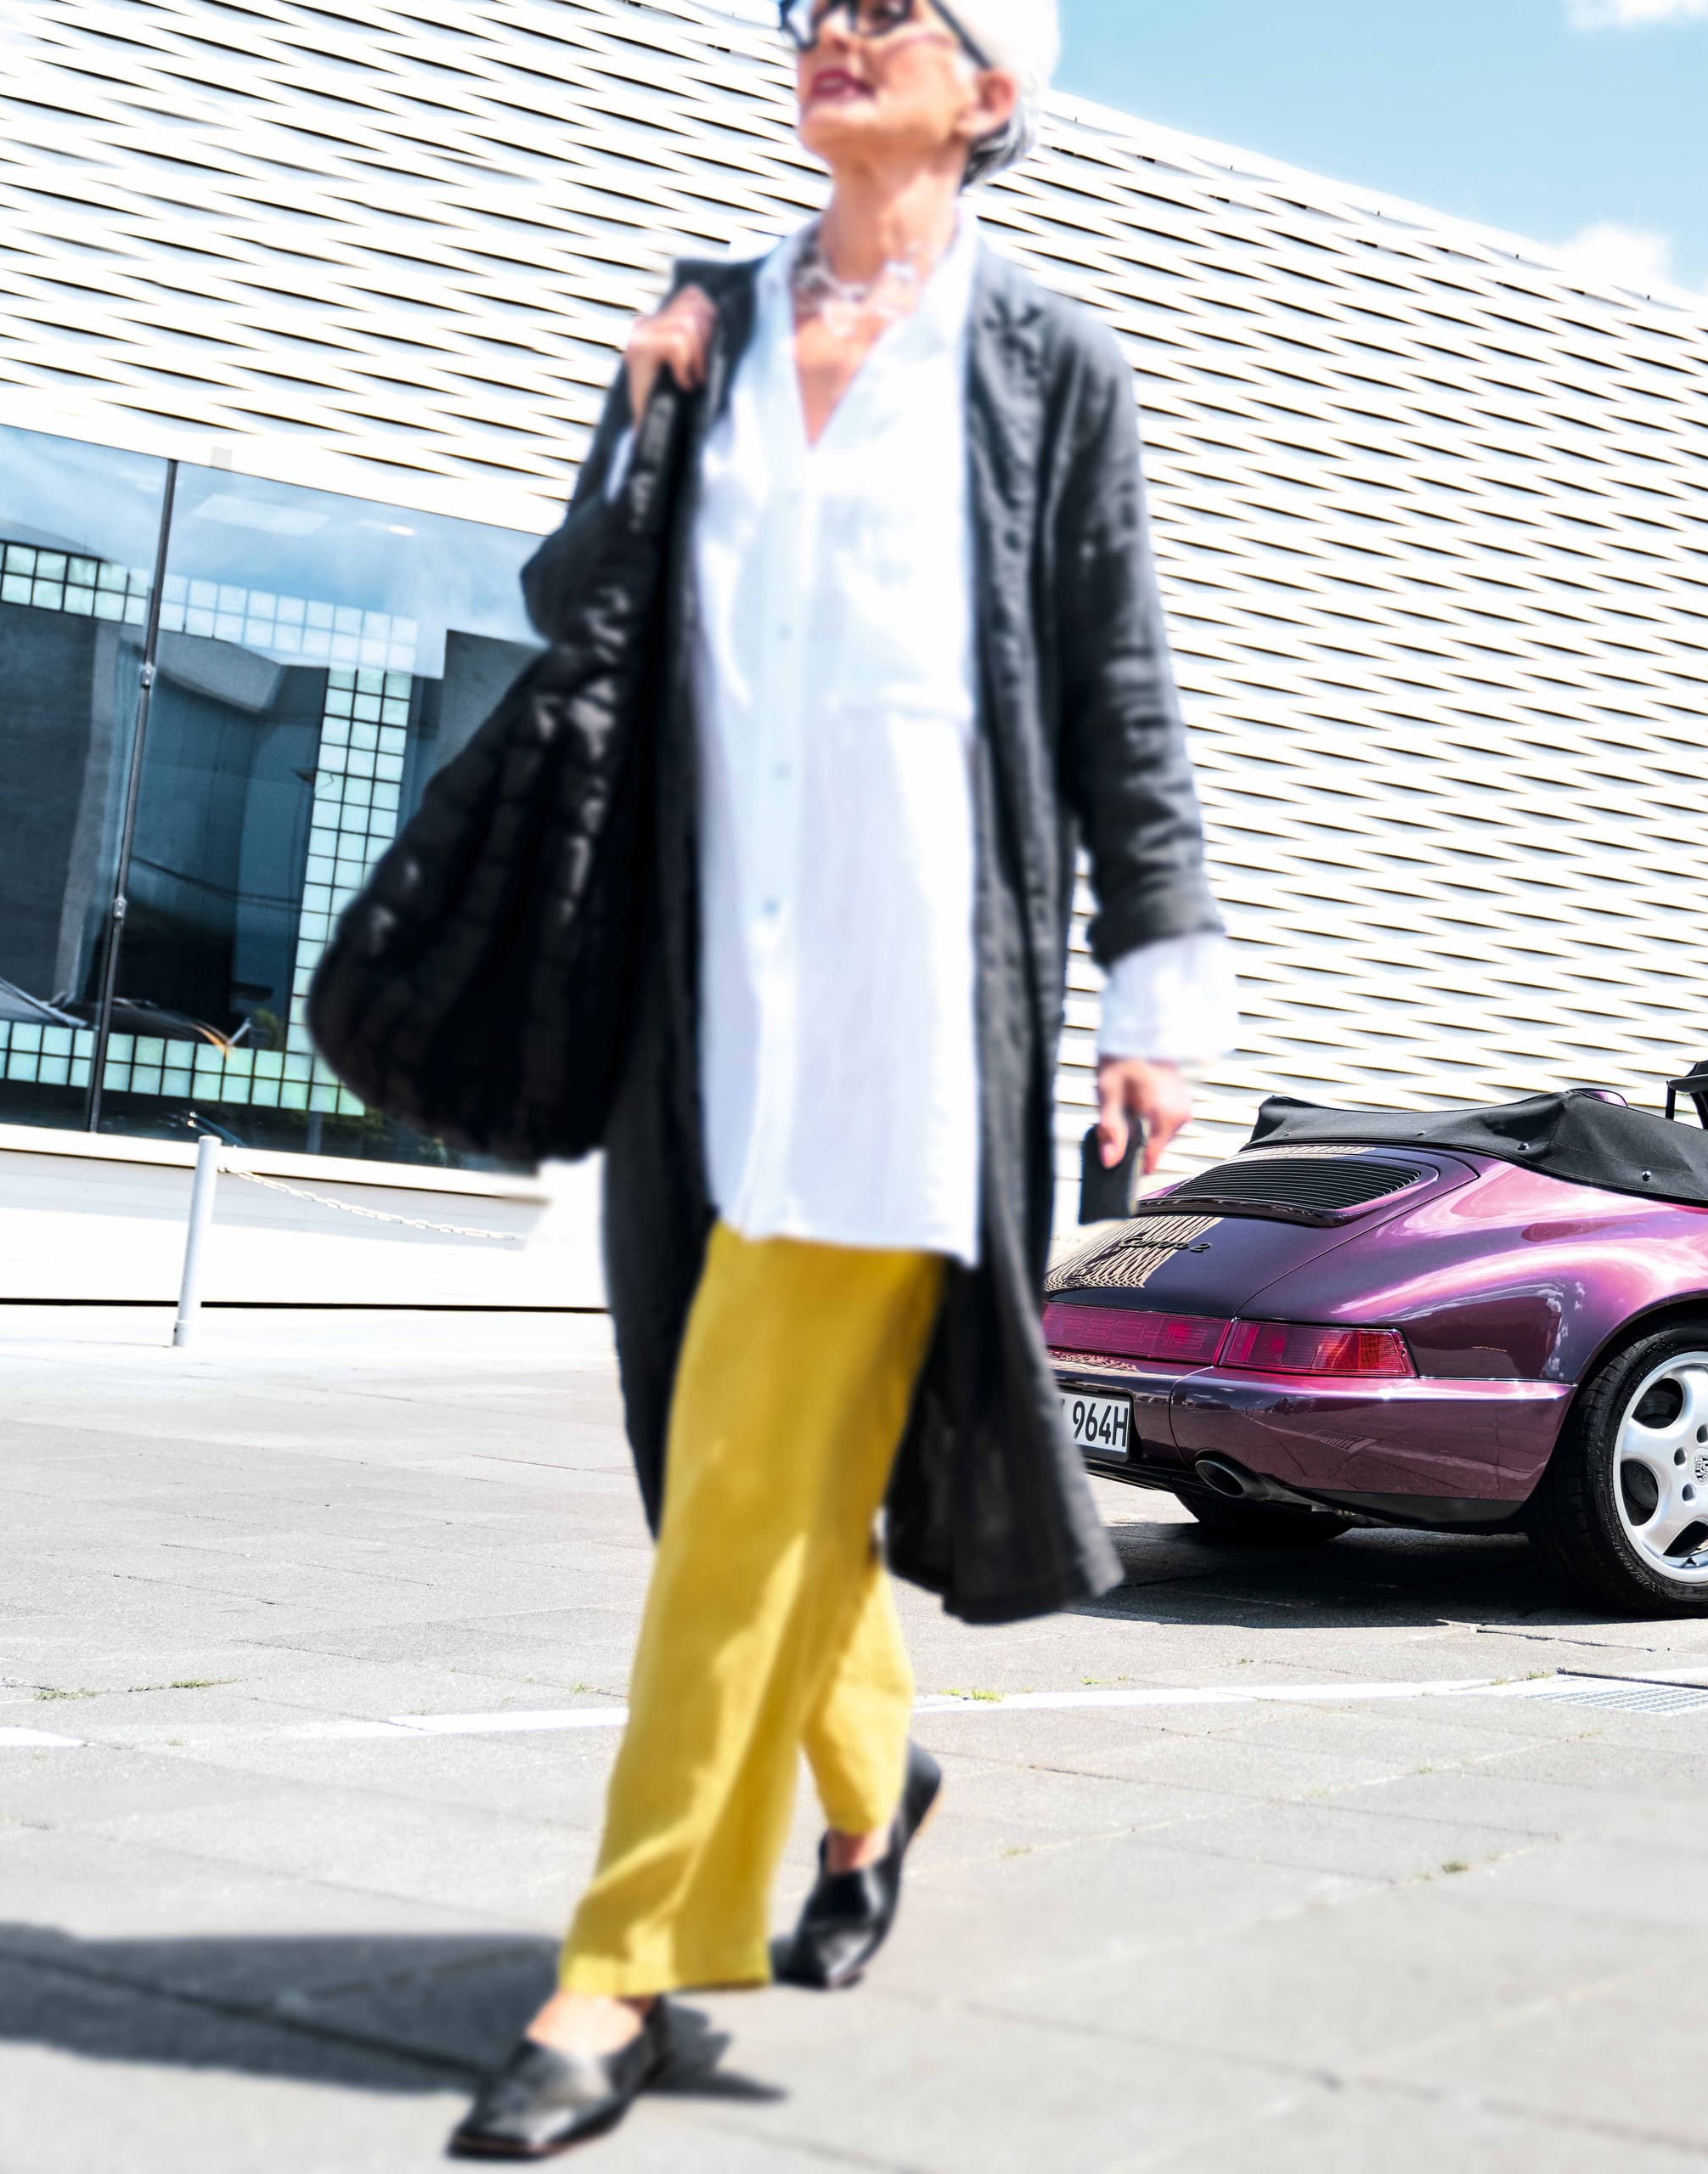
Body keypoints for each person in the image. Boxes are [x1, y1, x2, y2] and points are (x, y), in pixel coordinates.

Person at [449, 0, 1231, 2153]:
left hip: (908, 1022)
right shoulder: (705, 319)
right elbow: (571, 604)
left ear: (994, 90)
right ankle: (876, 1776)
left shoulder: (1046, 364)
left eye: (892, 7)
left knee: (740, 1482)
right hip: (700, 1014)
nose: (835, 31)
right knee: (738, 1473)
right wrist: (636, 420)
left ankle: (623, 1968)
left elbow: (1119, 688)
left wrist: (1157, 993)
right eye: (819, 5)